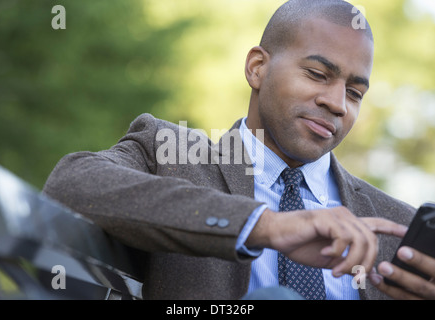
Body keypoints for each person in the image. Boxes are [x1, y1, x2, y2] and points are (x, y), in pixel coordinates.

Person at [43, 0, 435, 300]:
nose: (337, 103)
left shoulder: (396, 226)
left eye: (354, 93)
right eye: (317, 74)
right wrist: (267, 226)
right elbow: (70, 184)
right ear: (257, 68)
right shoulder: (172, 154)